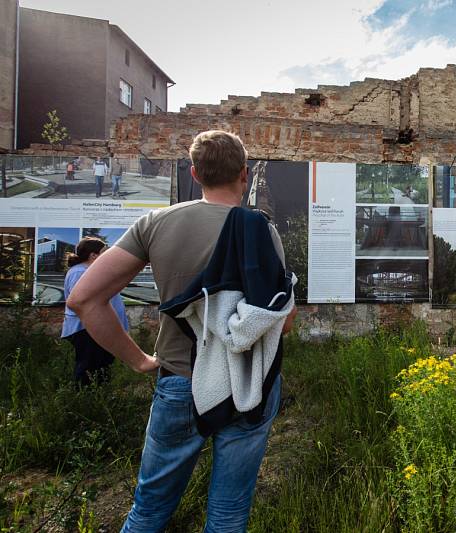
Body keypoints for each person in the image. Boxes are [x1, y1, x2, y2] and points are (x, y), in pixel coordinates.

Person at [67, 130, 298, 531]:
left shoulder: (155, 224)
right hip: (248, 384)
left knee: (149, 510)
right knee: (228, 515)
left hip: (179, 379)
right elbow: (284, 320)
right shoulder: (262, 230)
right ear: (244, 174)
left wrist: (139, 361)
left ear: (194, 172)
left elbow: (84, 300)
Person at [62, 237, 128, 386]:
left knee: (102, 366)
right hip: (88, 329)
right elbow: (81, 303)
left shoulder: (91, 271)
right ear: (93, 255)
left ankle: (99, 398)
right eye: (104, 253)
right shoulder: (79, 272)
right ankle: (85, 401)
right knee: (89, 366)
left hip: (99, 328)